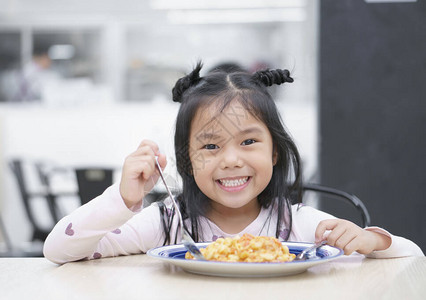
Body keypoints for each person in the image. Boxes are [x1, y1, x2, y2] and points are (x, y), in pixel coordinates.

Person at [44, 62, 423, 264]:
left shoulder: (298, 225)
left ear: (274, 152)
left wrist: (370, 239)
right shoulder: (167, 223)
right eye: (210, 146)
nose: (230, 160)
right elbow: (59, 250)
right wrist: (123, 202)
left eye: (248, 141)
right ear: (186, 162)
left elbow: (412, 256)